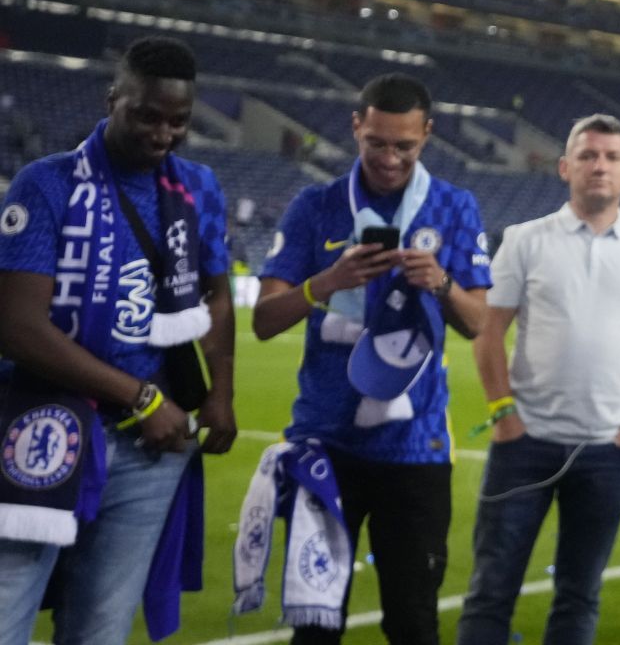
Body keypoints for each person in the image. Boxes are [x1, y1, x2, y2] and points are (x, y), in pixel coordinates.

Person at [0, 37, 238, 645]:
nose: (163, 133)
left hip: (148, 452)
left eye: (179, 122)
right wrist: (142, 398)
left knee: (101, 627)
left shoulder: (199, 188)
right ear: (113, 99)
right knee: (6, 610)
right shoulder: (45, 185)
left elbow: (216, 294)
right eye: (147, 115)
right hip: (45, 427)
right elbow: (17, 326)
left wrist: (221, 394)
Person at [254, 73, 492, 645]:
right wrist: (326, 282)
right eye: (377, 143)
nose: (389, 159)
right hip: (325, 444)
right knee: (315, 625)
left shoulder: (454, 207)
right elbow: (263, 320)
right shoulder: (316, 206)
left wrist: (440, 283)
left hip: (415, 449)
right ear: (356, 125)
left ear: (427, 135)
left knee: (413, 624)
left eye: (404, 146)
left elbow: (478, 321)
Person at [457, 115, 620, 645]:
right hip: (524, 442)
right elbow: (489, 334)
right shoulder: (523, 240)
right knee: (492, 588)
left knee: (580, 593)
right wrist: (502, 414)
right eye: (587, 155)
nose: (598, 166)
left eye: (610, 157)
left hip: (609, 448)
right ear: (565, 167)